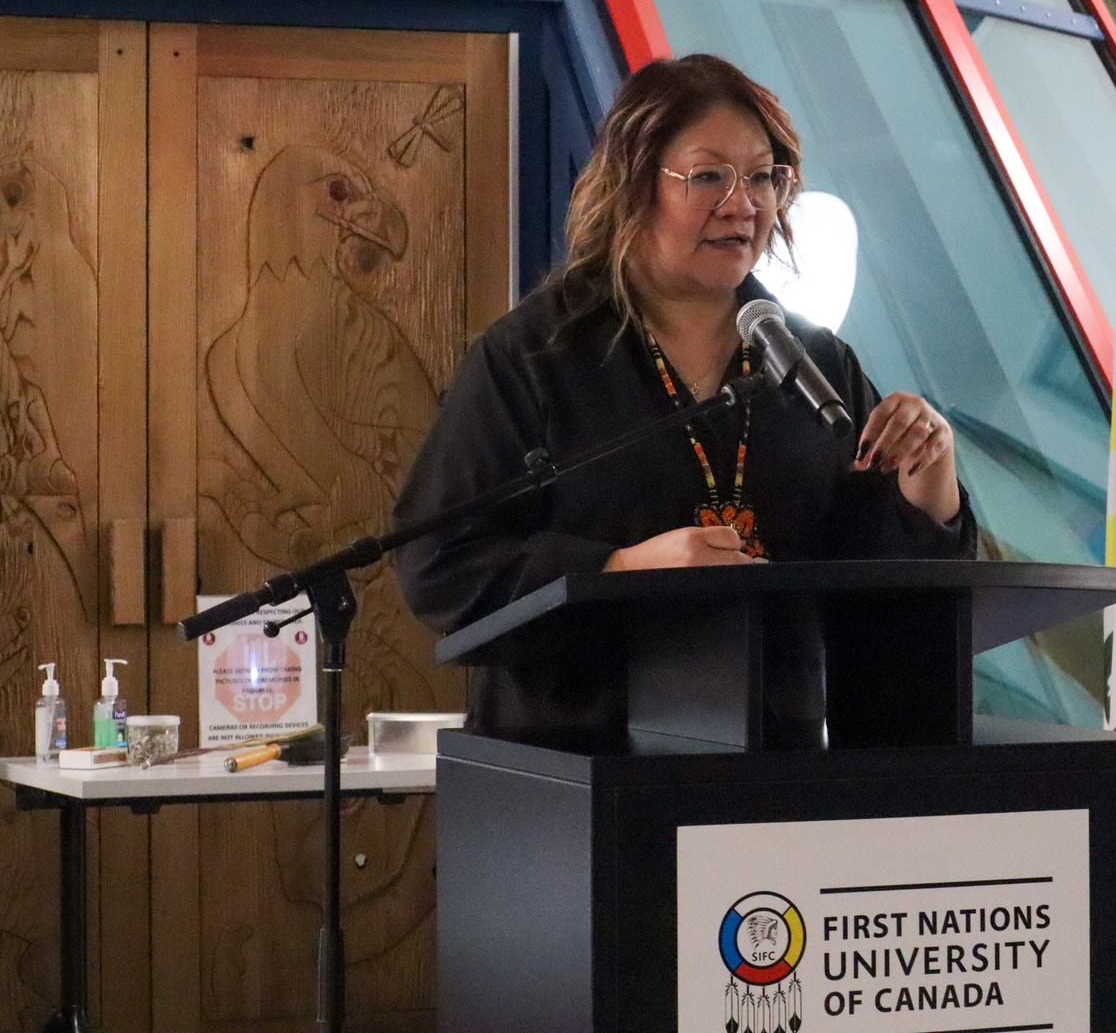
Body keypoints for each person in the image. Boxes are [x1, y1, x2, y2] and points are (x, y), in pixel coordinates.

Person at [394, 53, 975, 741]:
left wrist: (928, 489)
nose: (743, 203)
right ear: (635, 183)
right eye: (708, 176)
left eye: (762, 177)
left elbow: (875, 591)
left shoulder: (814, 361)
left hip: (775, 766)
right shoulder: (536, 355)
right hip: (579, 761)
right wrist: (616, 570)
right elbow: (439, 560)